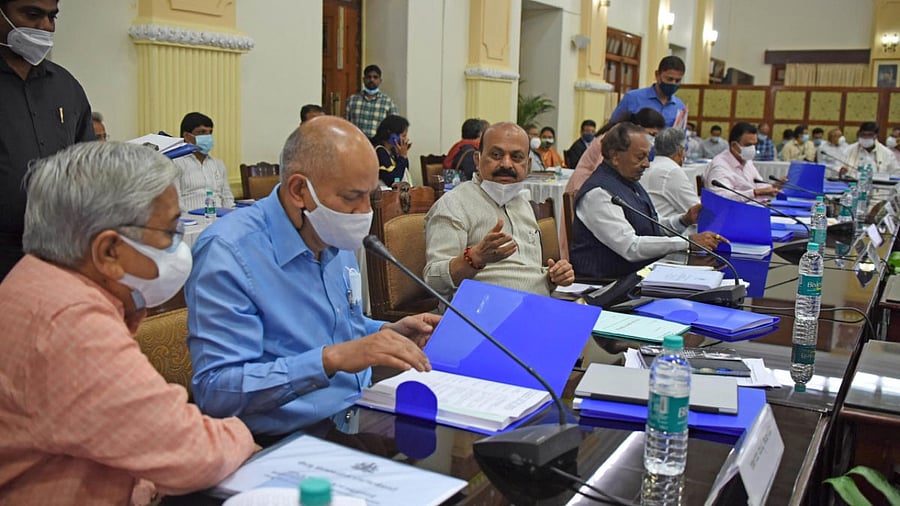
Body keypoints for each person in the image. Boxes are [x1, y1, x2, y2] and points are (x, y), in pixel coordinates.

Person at [0, 142, 255, 505]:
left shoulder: (36, 279)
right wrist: (242, 436)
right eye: (170, 232)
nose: (178, 247)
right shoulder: (69, 323)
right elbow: (190, 451)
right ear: (108, 251)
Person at [186, 116, 437, 437]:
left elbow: (336, 325)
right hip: (283, 437)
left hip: (358, 411)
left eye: (370, 195)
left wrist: (386, 332)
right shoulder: (229, 251)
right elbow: (217, 391)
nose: (365, 211)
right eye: (351, 197)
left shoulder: (330, 231)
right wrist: (329, 360)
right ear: (299, 190)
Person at [424, 122, 575, 299]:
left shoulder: (522, 202)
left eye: (517, 157)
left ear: (528, 164)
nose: (506, 164)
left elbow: (524, 273)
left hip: (536, 305)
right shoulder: (454, 205)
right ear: (477, 159)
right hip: (484, 310)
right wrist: (473, 259)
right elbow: (432, 281)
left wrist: (552, 277)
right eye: (496, 155)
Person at [0, 0, 95, 280]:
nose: (45, 26)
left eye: (52, 17)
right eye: (32, 14)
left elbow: (87, 161)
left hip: (60, 251)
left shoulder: (65, 85)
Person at [570, 123, 721, 280]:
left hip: (637, 275)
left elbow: (653, 225)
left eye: (648, 157)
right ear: (615, 157)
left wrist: (684, 220)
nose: (647, 164)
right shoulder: (598, 193)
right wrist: (687, 242)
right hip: (606, 283)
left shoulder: (629, 182)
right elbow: (630, 247)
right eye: (640, 157)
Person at [566, 108, 665, 195]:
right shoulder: (612, 139)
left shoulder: (627, 140)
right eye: (651, 134)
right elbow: (604, 172)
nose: (652, 139)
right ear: (638, 128)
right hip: (585, 187)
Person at [173, 112, 235, 211]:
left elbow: (227, 197)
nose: (208, 137)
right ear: (187, 136)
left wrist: (231, 215)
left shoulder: (218, 164)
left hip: (219, 216)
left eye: (210, 132)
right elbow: (175, 201)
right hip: (190, 217)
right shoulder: (174, 164)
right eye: (202, 132)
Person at [703, 122, 780, 202]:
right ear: (734, 146)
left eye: (754, 145)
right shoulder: (719, 166)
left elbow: (759, 184)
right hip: (731, 209)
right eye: (748, 145)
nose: (752, 148)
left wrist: (774, 187)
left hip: (753, 206)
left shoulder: (747, 161)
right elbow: (721, 198)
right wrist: (754, 193)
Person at [609, 55, 687, 128]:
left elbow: (681, 134)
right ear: (657, 75)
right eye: (669, 79)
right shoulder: (633, 98)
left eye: (677, 80)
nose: (673, 83)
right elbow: (613, 127)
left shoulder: (680, 107)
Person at [642, 128, 699, 224]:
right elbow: (696, 210)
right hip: (668, 228)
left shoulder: (650, 165)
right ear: (680, 151)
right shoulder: (672, 170)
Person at [344, 64, 398, 138]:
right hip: (356, 141)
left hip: (378, 143)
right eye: (368, 77)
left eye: (375, 77)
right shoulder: (352, 100)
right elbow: (345, 125)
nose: (372, 80)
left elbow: (394, 128)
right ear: (363, 79)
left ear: (380, 80)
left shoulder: (388, 103)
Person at [372, 114, 411, 186]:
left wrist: (403, 156)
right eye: (403, 136)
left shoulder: (393, 151)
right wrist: (402, 157)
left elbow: (404, 171)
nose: (405, 139)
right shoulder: (380, 152)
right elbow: (394, 180)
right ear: (392, 135)